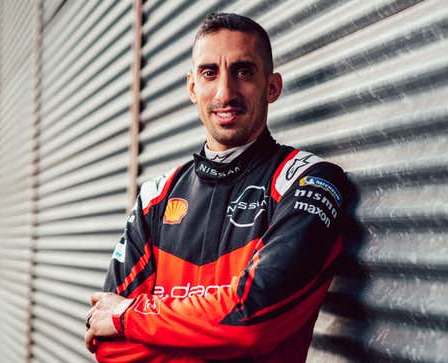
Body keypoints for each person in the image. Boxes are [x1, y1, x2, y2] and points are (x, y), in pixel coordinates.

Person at [85, 12, 348, 363]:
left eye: (243, 71)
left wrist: (128, 317)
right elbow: (109, 346)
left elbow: (252, 321)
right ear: (193, 87)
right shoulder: (155, 199)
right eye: (210, 73)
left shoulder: (307, 181)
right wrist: (216, 339)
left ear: (272, 86)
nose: (226, 92)